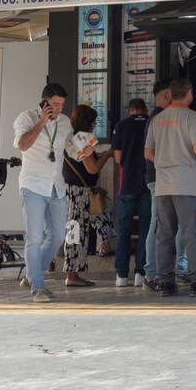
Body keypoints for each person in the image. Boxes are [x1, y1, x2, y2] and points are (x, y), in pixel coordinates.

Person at [143, 77, 196, 296]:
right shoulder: (192, 117)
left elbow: (148, 153)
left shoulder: (157, 120)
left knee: (165, 235)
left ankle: (165, 283)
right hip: (186, 184)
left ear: (170, 94)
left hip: (162, 185)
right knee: (193, 234)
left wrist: (165, 161)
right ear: (189, 92)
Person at [13, 84, 72, 302]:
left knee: (58, 236)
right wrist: (41, 122)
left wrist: (81, 150)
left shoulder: (65, 122)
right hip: (33, 185)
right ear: (44, 102)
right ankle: (37, 286)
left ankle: (32, 273)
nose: (58, 109)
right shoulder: (26, 118)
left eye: (62, 105)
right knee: (34, 237)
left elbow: (69, 146)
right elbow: (22, 144)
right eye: (55, 104)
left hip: (56, 185)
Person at [61, 104, 115, 287]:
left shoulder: (69, 136)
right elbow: (92, 168)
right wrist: (107, 155)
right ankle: (73, 274)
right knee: (76, 232)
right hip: (81, 193)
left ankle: (101, 247)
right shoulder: (82, 138)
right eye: (93, 121)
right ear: (88, 122)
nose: (95, 124)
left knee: (81, 227)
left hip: (71, 191)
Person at [142, 80, 189, 283]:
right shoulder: (159, 118)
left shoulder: (157, 117)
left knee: (168, 225)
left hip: (160, 177)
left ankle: (167, 270)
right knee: (159, 225)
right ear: (165, 95)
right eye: (170, 94)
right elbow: (150, 152)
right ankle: (153, 273)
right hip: (161, 177)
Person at [111, 98, 151, 287]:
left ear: (130, 110)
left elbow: (118, 157)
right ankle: (141, 273)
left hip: (126, 184)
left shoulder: (121, 125)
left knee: (123, 230)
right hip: (148, 183)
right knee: (146, 229)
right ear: (145, 109)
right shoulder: (152, 123)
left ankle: (121, 275)